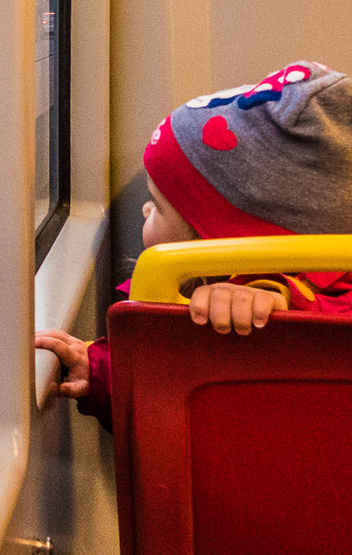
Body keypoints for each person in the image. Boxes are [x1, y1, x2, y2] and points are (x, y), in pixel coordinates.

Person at [37, 61, 352, 429]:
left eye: (159, 205)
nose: (144, 208)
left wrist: (277, 301)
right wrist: (98, 369)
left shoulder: (325, 302)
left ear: (218, 241)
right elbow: (164, 388)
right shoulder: (178, 295)